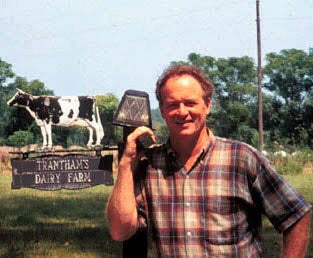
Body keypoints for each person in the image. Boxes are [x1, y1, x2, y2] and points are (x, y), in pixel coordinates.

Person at [107, 64, 312, 257]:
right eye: (172, 105)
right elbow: (120, 231)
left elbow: (296, 215)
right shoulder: (149, 165)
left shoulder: (241, 158)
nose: (182, 111)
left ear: (207, 105)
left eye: (190, 103)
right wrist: (126, 165)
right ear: (162, 112)